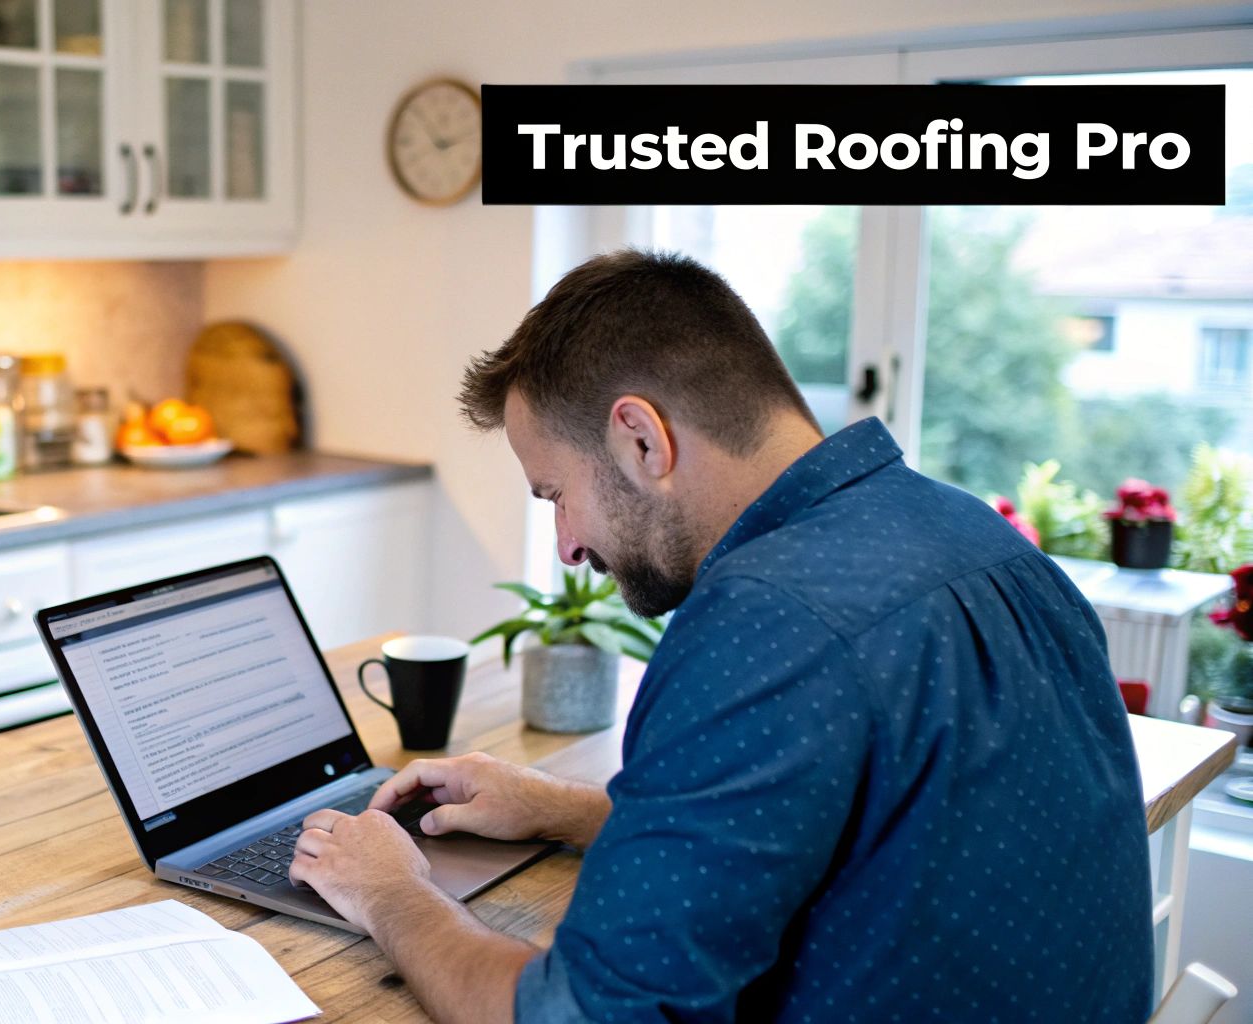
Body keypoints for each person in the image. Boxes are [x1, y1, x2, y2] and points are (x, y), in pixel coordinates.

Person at [286, 249, 1153, 1022]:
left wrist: (392, 894)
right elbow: (848, 827)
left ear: (640, 438)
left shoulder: (765, 621)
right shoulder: (976, 536)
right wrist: (567, 810)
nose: (567, 546)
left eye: (554, 495)